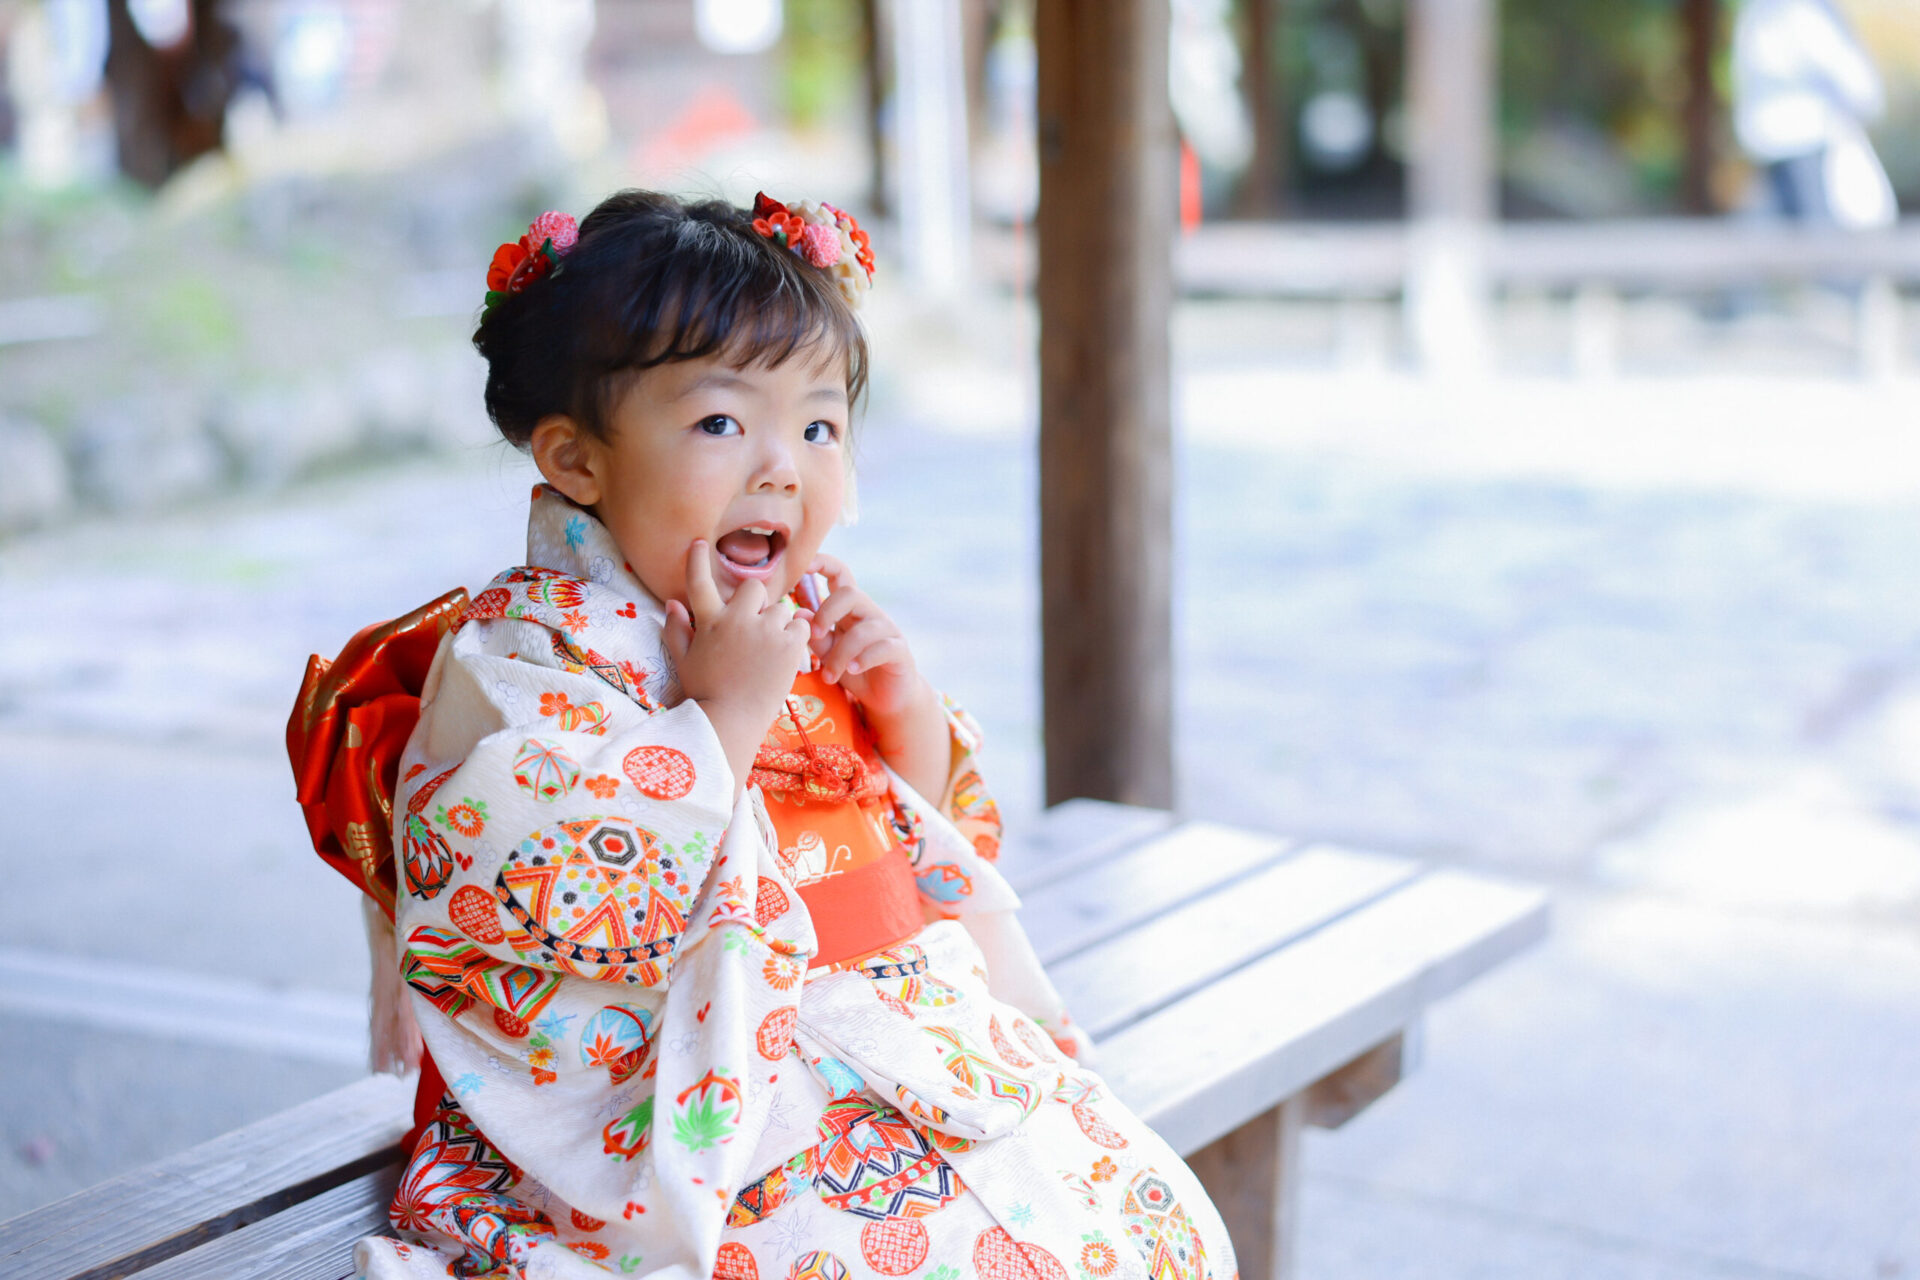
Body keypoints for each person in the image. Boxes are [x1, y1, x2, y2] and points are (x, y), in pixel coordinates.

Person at [288, 189, 1235, 1280]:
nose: (784, 465)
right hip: (696, 1095)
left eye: (820, 423)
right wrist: (723, 719)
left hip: (893, 1043)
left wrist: (902, 714)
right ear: (576, 459)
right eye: (722, 421)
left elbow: (915, 842)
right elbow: (531, 891)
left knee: (1151, 1229)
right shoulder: (526, 655)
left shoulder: (799, 613)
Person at [1733, 0, 1897, 230]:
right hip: (1808, 141)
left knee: (1776, 241)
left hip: (1771, 143)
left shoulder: (1760, 9)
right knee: (1818, 240)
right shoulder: (1801, 8)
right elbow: (1843, 67)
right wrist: (1867, 103)